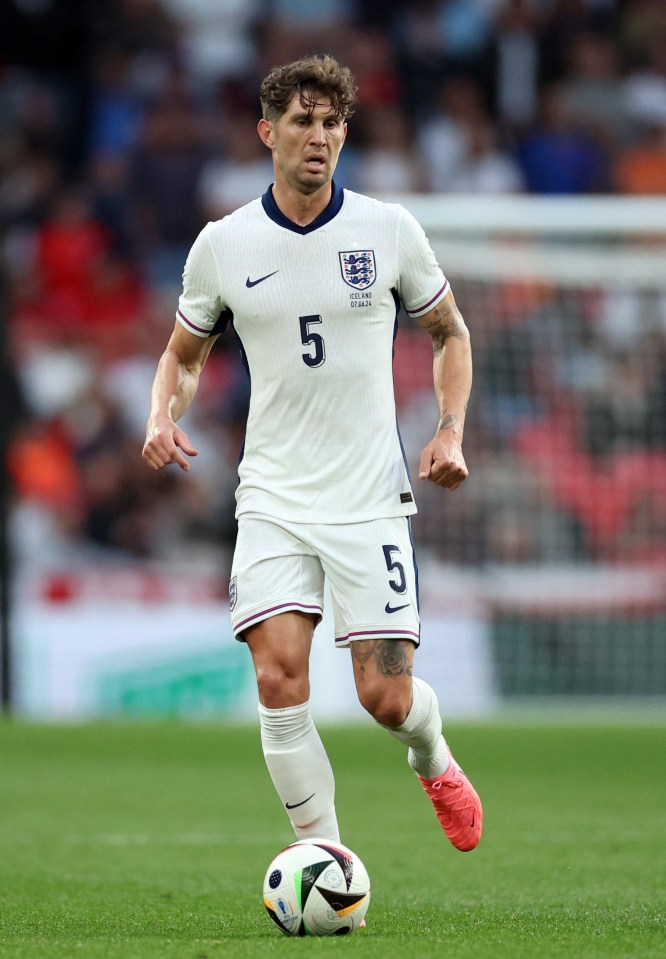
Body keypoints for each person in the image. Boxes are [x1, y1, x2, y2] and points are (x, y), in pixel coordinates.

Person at [142, 54, 482, 853]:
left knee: (386, 699)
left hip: (370, 497)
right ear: (268, 132)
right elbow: (183, 355)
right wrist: (161, 414)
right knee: (277, 679)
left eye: (332, 122)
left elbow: (449, 334)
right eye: (302, 121)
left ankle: (432, 755)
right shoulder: (224, 244)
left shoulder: (388, 230)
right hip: (274, 497)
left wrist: (451, 426)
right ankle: (327, 863)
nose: (319, 136)